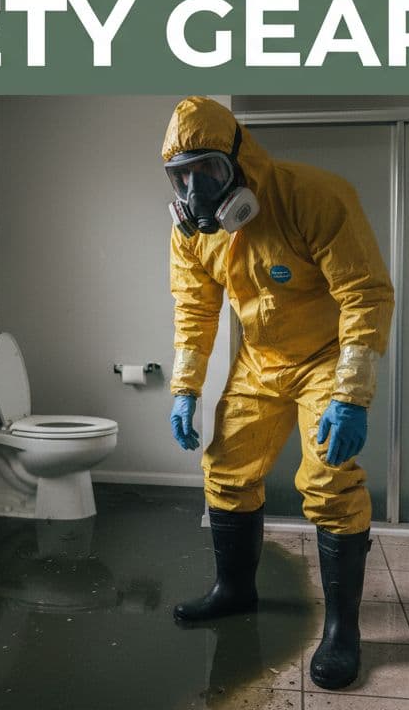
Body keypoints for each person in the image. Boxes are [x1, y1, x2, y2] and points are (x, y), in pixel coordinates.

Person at [162, 96, 394, 690]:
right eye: (180, 176)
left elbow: (364, 294)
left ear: (241, 160)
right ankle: (235, 590)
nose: (196, 193)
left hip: (325, 360)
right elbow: (194, 308)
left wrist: (351, 394)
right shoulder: (193, 234)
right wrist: (185, 388)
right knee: (226, 469)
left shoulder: (312, 196)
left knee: (328, 479)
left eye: (207, 171)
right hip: (260, 361)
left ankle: (343, 630)